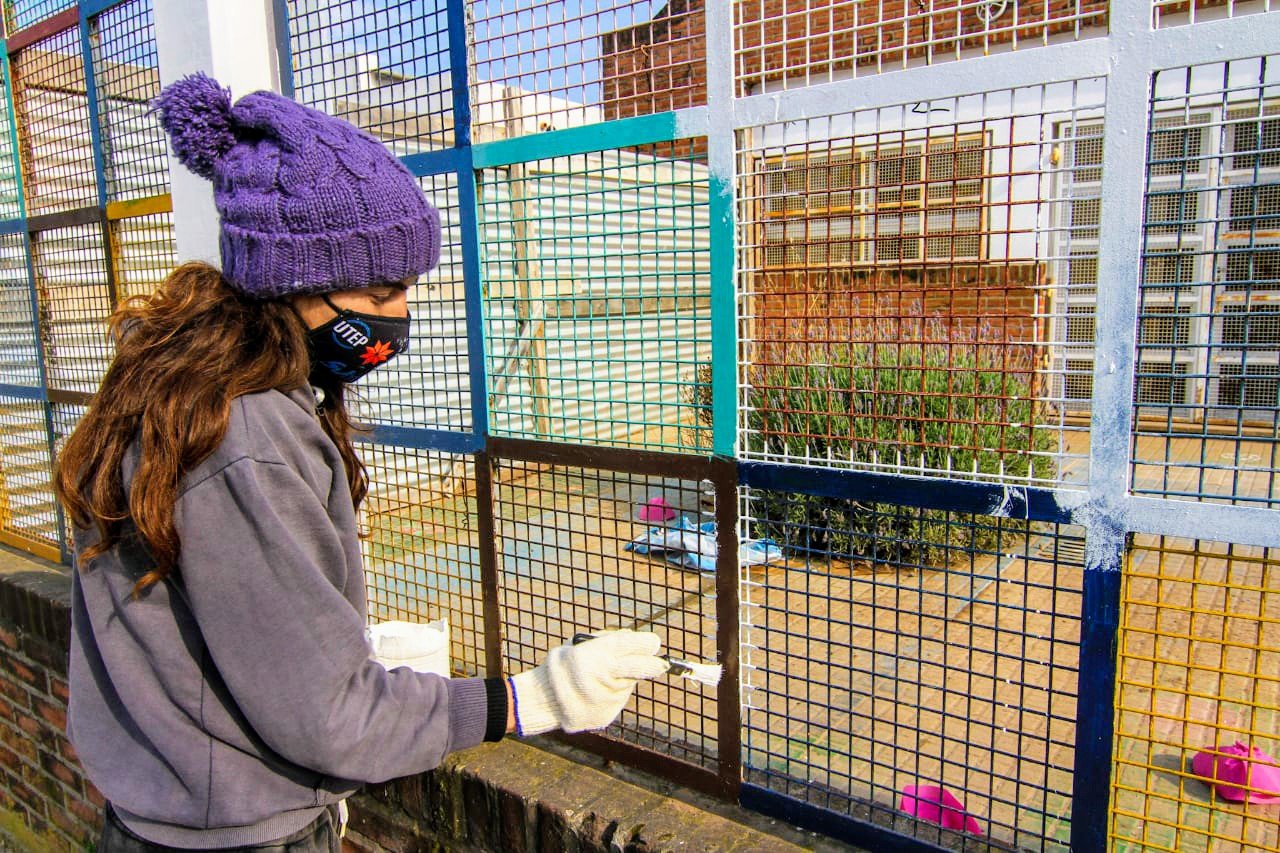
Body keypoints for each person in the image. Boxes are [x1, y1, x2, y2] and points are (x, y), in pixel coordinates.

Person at [55, 73, 669, 852]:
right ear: (295, 278)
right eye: (382, 291)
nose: (398, 319)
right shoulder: (244, 437)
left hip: (171, 813)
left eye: (407, 290)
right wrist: (537, 695)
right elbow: (332, 716)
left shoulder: (180, 388)